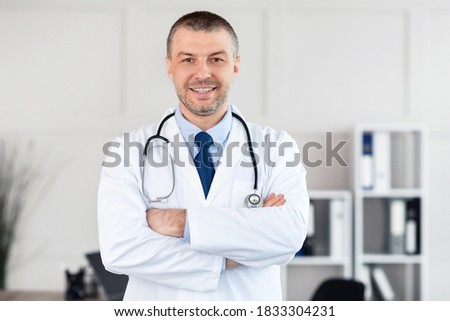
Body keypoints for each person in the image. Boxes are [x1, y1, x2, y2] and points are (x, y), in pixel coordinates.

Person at [97, 10, 309, 300]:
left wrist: (178, 222)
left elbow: (289, 235)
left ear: (235, 66)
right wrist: (231, 254)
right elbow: (120, 250)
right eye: (188, 60)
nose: (203, 73)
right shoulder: (126, 151)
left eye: (216, 59)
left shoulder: (277, 146)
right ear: (169, 67)